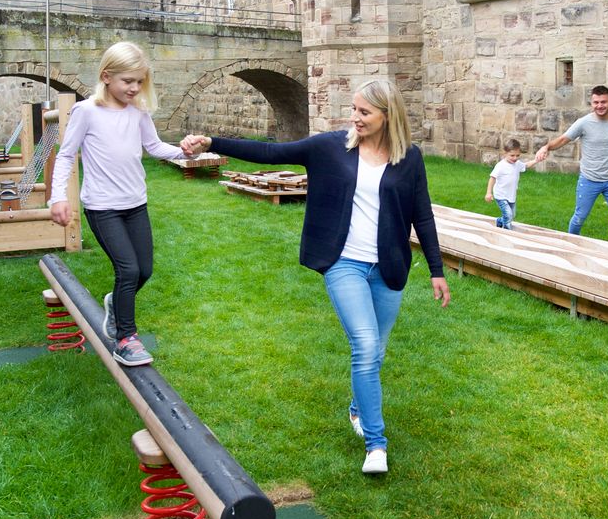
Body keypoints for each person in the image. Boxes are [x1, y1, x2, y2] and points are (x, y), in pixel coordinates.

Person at [181, 80, 450, 476]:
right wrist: (211, 142)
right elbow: (271, 152)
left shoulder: (409, 158)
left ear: (387, 117)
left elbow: (421, 214)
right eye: (354, 109)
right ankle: (377, 445)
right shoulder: (329, 147)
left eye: (364, 112)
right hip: (344, 263)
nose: (354, 118)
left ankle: (359, 407)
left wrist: (436, 269)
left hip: (389, 267)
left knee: (376, 352)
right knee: (364, 344)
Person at [49, 42, 189, 366]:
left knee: (145, 270)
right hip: (103, 206)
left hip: (135, 203)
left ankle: (115, 304)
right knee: (127, 269)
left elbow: (153, 146)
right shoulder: (86, 112)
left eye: (140, 81)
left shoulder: (138, 112)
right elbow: (67, 154)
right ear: (106, 76)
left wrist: (184, 152)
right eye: (128, 81)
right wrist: (58, 197)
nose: (135, 88)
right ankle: (125, 339)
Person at [534, 85, 608, 244]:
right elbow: (564, 139)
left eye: (603, 102)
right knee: (579, 218)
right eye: (596, 102)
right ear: (591, 103)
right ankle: (570, 245)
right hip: (588, 180)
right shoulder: (583, 123)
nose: (600, 106)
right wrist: (546, 147)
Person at [484, 138, 535, 229]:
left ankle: (499, 221)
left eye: (517, 155)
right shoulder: (501, 166)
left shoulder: (517, 164)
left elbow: (526, 165)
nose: (515, 158)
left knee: (512, 215)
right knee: (508, 215)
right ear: (504, 153)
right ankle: (507, 233)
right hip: (501, 195)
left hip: (511, 195)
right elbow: (492, 178)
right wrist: (488, 192)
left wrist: (536, 160)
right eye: (512, 155)